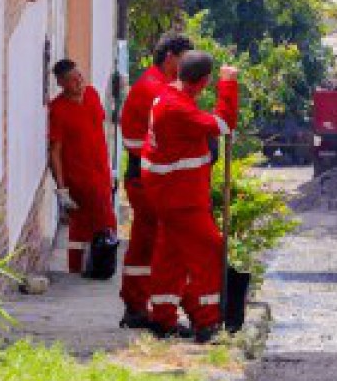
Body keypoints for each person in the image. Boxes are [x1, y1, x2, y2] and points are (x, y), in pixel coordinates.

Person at [140, 51, 239, 342]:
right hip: (181, 197)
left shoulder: (168, 97)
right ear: (204, 82)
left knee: (170, 255)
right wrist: (229, 85)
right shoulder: (177, 108)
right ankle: (208, 323)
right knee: (210, 251)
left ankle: (162, 317)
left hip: (169, 192)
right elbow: (223, 125)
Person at [118, 34, 192, 327]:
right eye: (184, 58)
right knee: (156, 243)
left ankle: (138, 305)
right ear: (170, 57)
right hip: (148, 176)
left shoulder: (155, 84)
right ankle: (147, 308)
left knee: (145, 242)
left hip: (147, 174)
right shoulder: (155, 89)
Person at [47, 60, 118, 274]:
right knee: (85, 226)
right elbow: (55, 151)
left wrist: (110, 168)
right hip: (78, 179)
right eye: (72, 79)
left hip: (101, 173)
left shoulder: (93, 95)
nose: (79, 82)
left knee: (101, 222)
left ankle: (99, 267)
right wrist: (61, 189)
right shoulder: (57, 109)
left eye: (80, 76)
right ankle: (79, 269)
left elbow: (100, 130)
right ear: (61, 83)